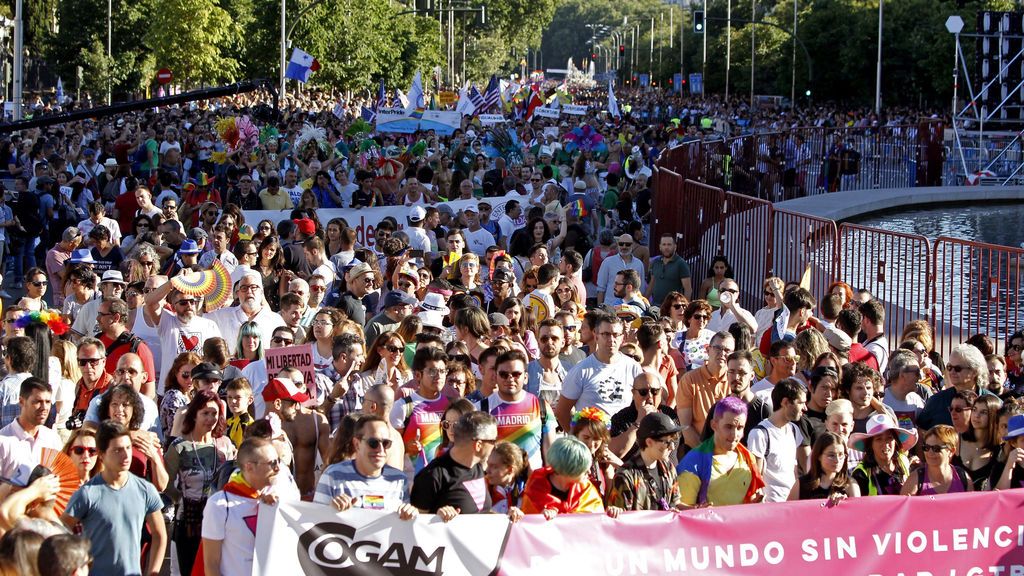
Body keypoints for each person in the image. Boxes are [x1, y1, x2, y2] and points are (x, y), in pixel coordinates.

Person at [60, 420, 167, 576]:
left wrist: (153, 572)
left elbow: (159, 534)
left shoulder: (145, 490)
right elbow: (61, 531)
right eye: (117, 450)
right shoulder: (87, 493)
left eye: (128, 448)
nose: (125, 455)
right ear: (102, 455)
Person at [164, 390, 235, 576]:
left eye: (215, 413)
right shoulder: (179, 446)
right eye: (205, 413)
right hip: (189, 522)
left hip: (219, 521)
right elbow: (165, 484)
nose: (211, 418)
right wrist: (183, 499)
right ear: (194, 414)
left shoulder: (224, 445)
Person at [200, 437, 281, 576]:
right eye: (272, 463)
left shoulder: (277, 498)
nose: (278, 468)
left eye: (278, 461)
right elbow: (211, 563)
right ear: (250, 466)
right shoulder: (219, 505)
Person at [313, 414, 416, 519]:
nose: (380, 449)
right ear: (357, 444)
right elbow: (314, 521)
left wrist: (409, 514)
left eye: (386, 443)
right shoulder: (332, 475)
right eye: (373, 443)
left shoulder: (399, 479)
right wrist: (331, 510)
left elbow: (402, 525)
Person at [554, 315, 643, 432]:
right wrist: (578, 438)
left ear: (623, 337)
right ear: (596, 336)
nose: (611, 340)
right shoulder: (581, 370)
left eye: (616, 335)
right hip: (593, 442)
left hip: (624, 440)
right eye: (606, 334)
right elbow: (562, 412)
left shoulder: (633, 367)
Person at [677, 396, 765, 507]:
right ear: (714, 425)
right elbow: (682, 510)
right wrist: (699, 510)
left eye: (740, 428)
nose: (734, 435)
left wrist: (755, 504)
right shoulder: (693, 461)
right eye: (729, 427)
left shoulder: (748, 459)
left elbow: (750, 499)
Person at [410, 411, 497, 519]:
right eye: (493, 441)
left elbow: (482, 512)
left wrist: (509, 517)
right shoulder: (432, 476)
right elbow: (415, 524)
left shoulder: (477, 466)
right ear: (478, 445)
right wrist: (437, 518)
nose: (495, 446)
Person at [478, 349, 555, 471]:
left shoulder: (542, 406)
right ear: (496, 376)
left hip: (533, 484)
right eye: (504, 374)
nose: (510, 379)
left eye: (516, 374)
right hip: (495, 485)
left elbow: (551, 454)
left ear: (525, 377)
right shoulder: (480, 409)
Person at [144, 275, 222, 389]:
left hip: (199, 389)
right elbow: (149, 302)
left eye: (192, 301)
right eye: (183, 303)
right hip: (170, 389)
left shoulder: (209, 325)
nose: (189, 306)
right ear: (173, 307)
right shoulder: (167, 321)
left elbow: (218, 358)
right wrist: (172, 283)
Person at [263, 373, 329, 501]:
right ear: (277, 404)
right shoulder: (259, 437)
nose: (297, 407)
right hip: (276, 505)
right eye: (293, 403)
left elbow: (329, 462)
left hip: (307, 499)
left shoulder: (280, 432)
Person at [390, 347, 451, 481]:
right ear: (418, 375)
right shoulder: (403, 406)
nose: (439, 376)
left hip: (442, 479)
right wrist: (406, 447)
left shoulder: (451, 406)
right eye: (432, 371)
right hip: (411, 480)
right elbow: (389, 447)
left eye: (442, 371)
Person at [522, 436, 621, 518]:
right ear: (569, 469)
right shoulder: (535, 490)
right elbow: (526, 528)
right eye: (583, 469)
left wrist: (610, 514)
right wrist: (540, 518)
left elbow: (597, 523)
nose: (589, 471)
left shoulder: (586, 489)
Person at [746, 378, 809, 502]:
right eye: (801, 403)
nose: (805, 408)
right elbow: (755, 478)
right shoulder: (760, 434)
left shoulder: (794, 430)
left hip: (791, 505)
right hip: (771, 509)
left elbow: (794, 471)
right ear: (785, 402)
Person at [0, 377, 62, 498]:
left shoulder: (52, 439)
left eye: (48, 402)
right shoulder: (3, 440)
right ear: (22, 402)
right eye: (37, 401)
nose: (44, 407)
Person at [608, 412, 682, 511]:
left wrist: (697, 510)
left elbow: (676, 504)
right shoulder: (626, 476)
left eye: (673, 442)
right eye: (667, 442)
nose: (672, 447)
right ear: (649, 442)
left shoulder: (669, 468)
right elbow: (621, 520)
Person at [677, 331, 734, 449]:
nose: (722, 353)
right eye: (718, 348)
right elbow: (686, 427)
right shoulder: (689, 380)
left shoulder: (735, 381)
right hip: (698, 451)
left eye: (727, 350)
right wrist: (707, 455)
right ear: (708, 350)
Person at [918, 343, 993, 430]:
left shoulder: (992, 404)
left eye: (958, 369)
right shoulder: (936, 402)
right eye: (949, 367)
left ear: (975, 371)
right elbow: (921, 430)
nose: (952, 372)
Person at [609, 370, 678, 457]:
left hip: (667, 469)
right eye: (643, 392)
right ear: (633, 393)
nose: (649, 396)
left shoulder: (669, 414)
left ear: (660, 392)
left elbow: (679, 447)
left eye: (654, 391)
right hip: (634, 469)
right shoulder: (622, 418)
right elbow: (614, 453)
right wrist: (638, 422)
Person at [850, 413, 916, 496]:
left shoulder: (903, 461)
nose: (885, 444)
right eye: (879, 439)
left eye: (889, 438)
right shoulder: (861, 474)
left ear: (895, 441)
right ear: (870, 445)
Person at [901, 424, 972, 496]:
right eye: (926, 448)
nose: (930, 452)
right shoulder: (915, 479)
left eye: (936, 448)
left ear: (951, 451)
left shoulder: (963, 478)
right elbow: (904, 506)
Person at [798, 432, 859, 501]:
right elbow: (788, 509)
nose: (837, 460)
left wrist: (844, 503)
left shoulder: (850, 484)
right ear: (819, 456)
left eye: (841, 455)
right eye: (831, 455)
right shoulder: (801, 484)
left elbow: (857, 510)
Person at [647, 233, 691, 304]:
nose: (666, 247)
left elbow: (688, 289)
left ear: (675, 247)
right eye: (664, 244)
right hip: (655, 305)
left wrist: (685, 308)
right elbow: (651, 284)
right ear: (660, 247)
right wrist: (644, 301)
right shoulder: (655, 262)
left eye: (669, 244)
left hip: (672, 307)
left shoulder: (681, 264)